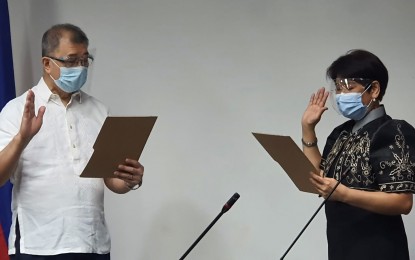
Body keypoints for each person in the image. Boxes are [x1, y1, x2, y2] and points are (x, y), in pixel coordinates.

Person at [0, 24, 144, 259]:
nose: (80, 68)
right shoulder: (16, 111)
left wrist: (129, 179)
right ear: (47, 64)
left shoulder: (100, 111)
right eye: (71, 60)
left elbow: (112, 180)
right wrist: (22, 139)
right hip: (37, 246)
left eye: (85, 60)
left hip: (93, 244)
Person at [301, 49, 415, 260]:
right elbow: (320, 176)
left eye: (349, 88)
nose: (342, 96)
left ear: (374, 90)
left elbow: (402, 202)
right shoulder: (341, 133)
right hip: (340, 246)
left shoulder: (393, 131)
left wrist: (344, 194)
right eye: (338, 89)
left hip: (379, 249)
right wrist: (308, 129)